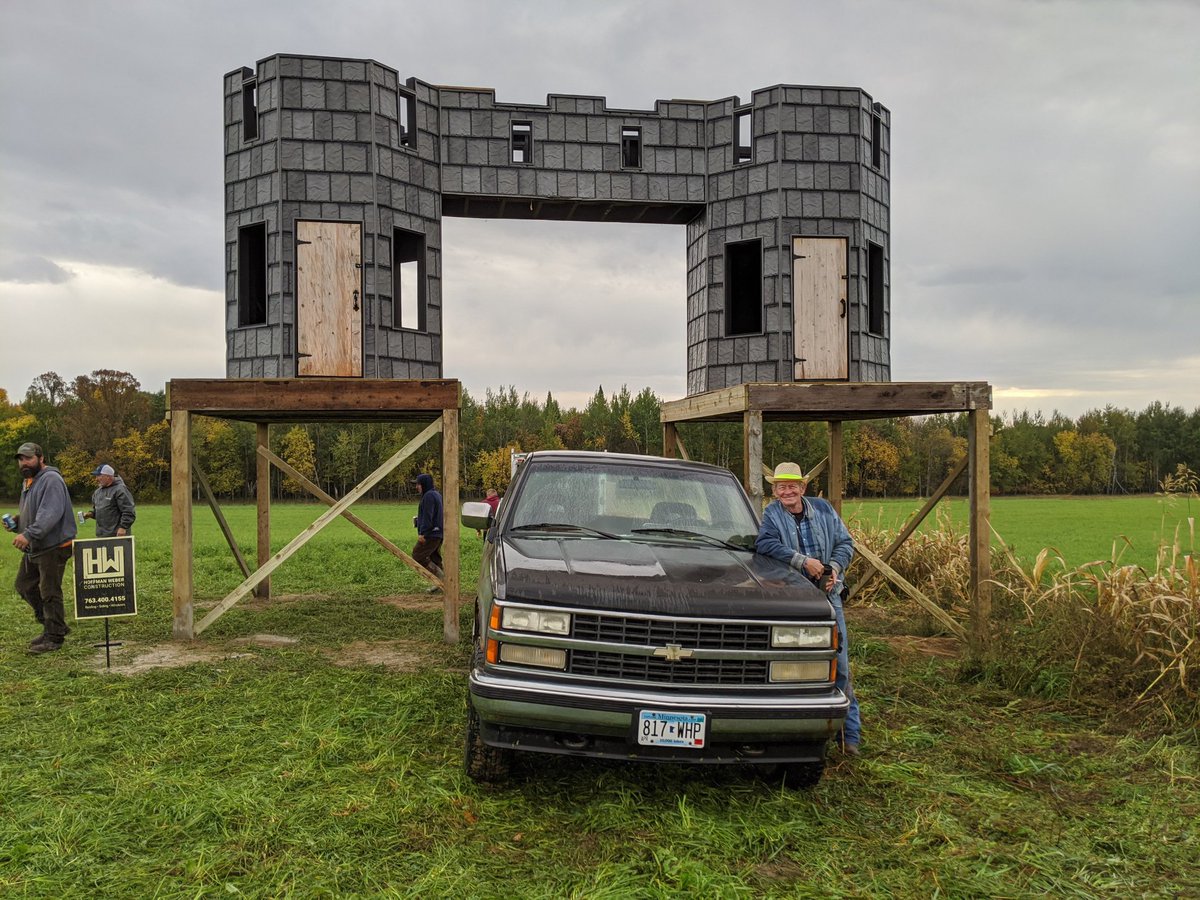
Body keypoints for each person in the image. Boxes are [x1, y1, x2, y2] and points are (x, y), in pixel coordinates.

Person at [755, 461, 861, 755]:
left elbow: (844, 543)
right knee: (790, 664)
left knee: (838, 664)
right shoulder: (772, 514)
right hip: (792, 597)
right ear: (774, 490)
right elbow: (765, 544)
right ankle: (794, 728)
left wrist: (834, 569)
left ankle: (847, 736)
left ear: (803, 488)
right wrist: (804, 562)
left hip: (828, 595)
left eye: (792, 486)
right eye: (780, 486)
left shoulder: (824, 509)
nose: (786, 491)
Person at [7, 442, 78, 654]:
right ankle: (52, 625)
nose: (24, 463)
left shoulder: (51, 479)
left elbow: (50, 514)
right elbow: (36, 513)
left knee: (49, 591)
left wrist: (29, 533)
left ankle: (54, 637)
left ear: (41, 458)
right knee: (24, 586)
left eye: (28, 458)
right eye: (21, 459)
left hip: (54, 545)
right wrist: (18, 523)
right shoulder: (29, 482)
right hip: (38, 545)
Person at [83, 463, 136, 537]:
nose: (96, 479)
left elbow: (129, 511)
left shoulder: (120, 490)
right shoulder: (97, 492)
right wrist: (90, 514)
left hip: (117, 535)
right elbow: (99, 511)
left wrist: (123, 527)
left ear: (108, 477)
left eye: (99, 476)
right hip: (101, 536)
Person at [411, 473, 444, 585]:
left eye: (418, 484)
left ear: (424, 484)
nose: (416, 487)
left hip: (431, 534)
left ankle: (440, 578)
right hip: (438, 532)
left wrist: (422, 533)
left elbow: (427, 516)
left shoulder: (428, 496)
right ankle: (442, 586)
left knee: (418, 555)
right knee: (434, 558)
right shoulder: (436, 494)